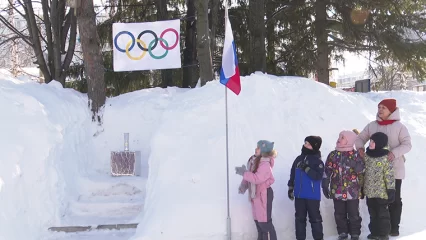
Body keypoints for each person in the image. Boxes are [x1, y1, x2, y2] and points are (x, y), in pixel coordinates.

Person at [355, 98, 412, 236]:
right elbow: (360, 138)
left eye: (383, 108)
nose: (380, 110)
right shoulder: (372, 126)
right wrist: (360, 148)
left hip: (394, 169)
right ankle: (379, 230)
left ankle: (394, 228)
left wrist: (394, 153)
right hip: (375, 172)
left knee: (394, 199)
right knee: (376, 203)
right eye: (379, 107)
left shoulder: (400, 127)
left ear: (391, 110)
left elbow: (407, 144)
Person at [323, 130, 364, 240]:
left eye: (342, 137)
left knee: (353, 213)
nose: (339, 139)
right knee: (339, 213)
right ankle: (342, 232)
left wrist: (354, 164)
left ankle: (355, 233)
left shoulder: (355, 155)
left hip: (352, 191)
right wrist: (325, 182)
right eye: (339, 136)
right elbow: (327, 170)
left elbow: (362, 170)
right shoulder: (333, 155)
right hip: (337, 190)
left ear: (349, 140)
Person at [235, 140, 277, 240]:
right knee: (259, 223)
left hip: (264, 195)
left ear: (264, 150)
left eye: (258, 148)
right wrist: (243, 186)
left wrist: (244, 173)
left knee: (265, 223)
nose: (256, 149)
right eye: (256, 147)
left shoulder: (265, 164)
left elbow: (257, 178)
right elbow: (249, 177)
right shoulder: (254, 161)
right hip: (255, 195)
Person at [288, 136, 324, 240]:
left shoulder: (317, 161)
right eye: (305, 142)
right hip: (299, 195)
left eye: (308, 144)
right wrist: (291, 187)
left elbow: (318, 176)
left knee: (315, 219)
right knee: (299, 219)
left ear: (314, 146)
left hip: (312, 196)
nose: (305, 145)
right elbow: (293, 173)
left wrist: (306, 168)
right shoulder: (298, 159)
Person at [363, 132, 395, 240]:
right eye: (370, 141)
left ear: (380, 143)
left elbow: (389, 175)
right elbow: (363, 173)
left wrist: (391, 189)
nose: (370, 143)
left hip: (382, 193)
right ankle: (374, 233)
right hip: (369, 191)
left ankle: (383, 234)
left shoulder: (385, 157)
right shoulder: (367, 155)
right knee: (372, 213)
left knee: (382, 214)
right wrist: (362, 188)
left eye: (373, 142)